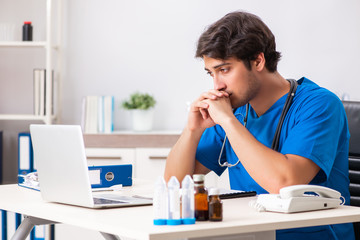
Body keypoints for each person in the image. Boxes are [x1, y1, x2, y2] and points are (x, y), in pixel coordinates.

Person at [164, 11, 354, 240]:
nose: (217, 85)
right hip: (252, 234)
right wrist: (192, 130)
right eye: (211, 73)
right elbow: (175, 185)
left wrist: (228, 121)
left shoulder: (319, 104)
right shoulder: (234, 110)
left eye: (224, 70)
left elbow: (284, 182)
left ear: (258, 61)